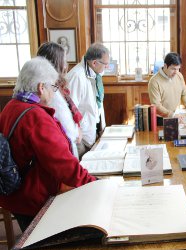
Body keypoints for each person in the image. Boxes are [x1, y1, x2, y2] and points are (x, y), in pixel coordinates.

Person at [0, 57, 96, 231]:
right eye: (53, 87)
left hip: (15, 193)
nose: (54, 93)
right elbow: (61, 162)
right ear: (40, 87)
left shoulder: (11, 106)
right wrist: (92, 182)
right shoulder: (35, 117)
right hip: (33, 197)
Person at [37, 42, 82, 158]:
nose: (66, 65)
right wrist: (76, 130)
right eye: (64, 61)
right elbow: (68, 128)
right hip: (62, 149)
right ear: (57, 63)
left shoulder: (52, 86)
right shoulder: (50, 90)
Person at [66, 43, 110, 159]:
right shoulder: (77, 76)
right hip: (81, 137)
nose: (107, 67)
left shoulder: (95, 72)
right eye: (105, 64)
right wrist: (79, 130)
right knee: (84, 169)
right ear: (94, 63)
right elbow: (69, 108)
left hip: (93, 131)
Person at [148, 52, 186, 125]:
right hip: (161, 120)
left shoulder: (179, 76)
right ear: (165, 65)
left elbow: (184, 93)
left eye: (178, 69)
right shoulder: (154, 81)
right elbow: (156, 105)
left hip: (177, 116)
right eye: (173, 69)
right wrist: (172, 115)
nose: (176, 72)